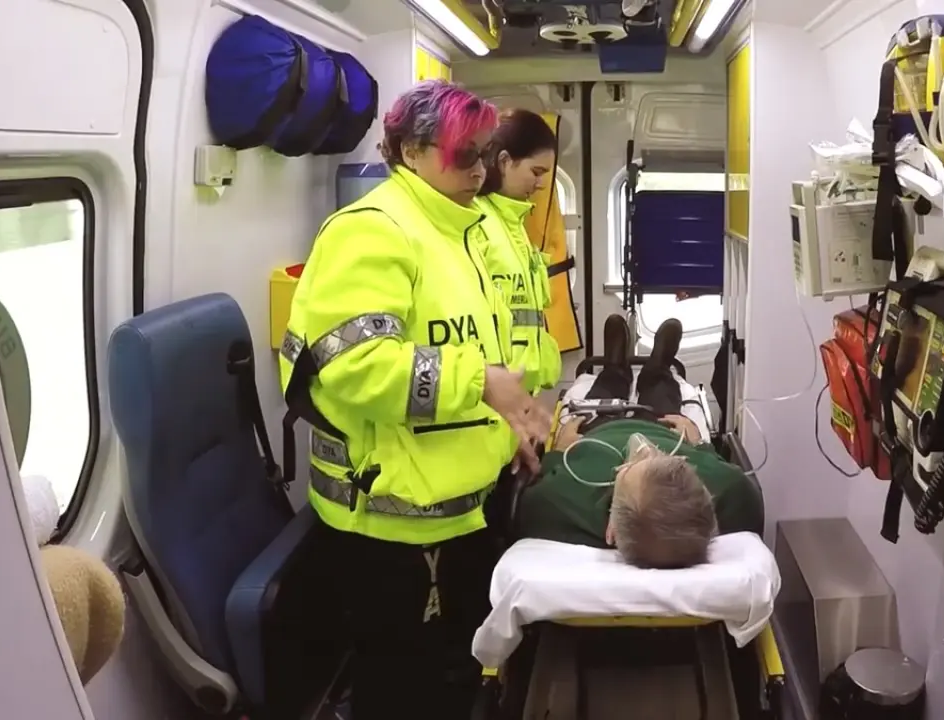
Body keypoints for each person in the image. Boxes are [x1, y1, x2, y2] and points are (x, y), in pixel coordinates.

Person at [278, 80, 550, 720]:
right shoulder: (372, 232)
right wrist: (480, 383)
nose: (480, 171)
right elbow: (356, 367)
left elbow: (465, 343)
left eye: (485, 153)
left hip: (458, 508)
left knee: (457, 677)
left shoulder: (462, 232)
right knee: (405, 691)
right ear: (410, 150)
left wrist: (506, 427)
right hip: (393, 525)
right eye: (465, 155)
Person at [516, 314, 764, 568]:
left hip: (598, 429)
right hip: (667, 429)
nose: (641, 444)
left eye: (629, 465)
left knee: (602, 393)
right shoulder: (732, 492)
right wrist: (702, 446)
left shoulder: (559, 501)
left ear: (611, 528)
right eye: (665, 458)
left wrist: (558, 451)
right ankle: (659, 367)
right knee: (662, 393)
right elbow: (740, 493)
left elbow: (537, 490)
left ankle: (614, 368)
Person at [475, 107, 562, 394]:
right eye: (536, 172)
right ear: (504, 162)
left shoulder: (515, 226)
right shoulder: (476, 223)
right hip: (492, 393)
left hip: (520, 391)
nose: (541, 184)